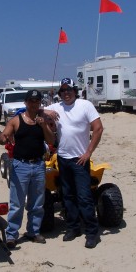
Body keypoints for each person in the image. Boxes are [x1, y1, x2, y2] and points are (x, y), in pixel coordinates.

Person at [45, 77, 104, 249]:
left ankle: (92, 232)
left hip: (80, 159)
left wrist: (88, 152)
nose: (66, 93)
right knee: (67, 196)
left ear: (75, 91)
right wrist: (45, 112)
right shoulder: (56, 107)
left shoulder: (85, 105)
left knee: (84, 197)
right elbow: (33, 110)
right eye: (63, 91)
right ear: (60, 93)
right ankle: (73, 228)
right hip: (62, 158)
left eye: (69, 90)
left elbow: (98, 128)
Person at [0, 90, 55, 249]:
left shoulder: (42, 121)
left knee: (37, 202)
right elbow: (3, 136)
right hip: (20, 166)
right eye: (31, 101)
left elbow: (51, 140)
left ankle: (33, 231)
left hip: (38, 165)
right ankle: (11, 235)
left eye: (37, 101)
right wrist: (3, 138)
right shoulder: (16, 121)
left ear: (40, 103)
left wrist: (44, 124)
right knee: (16, 203)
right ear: (25, 102)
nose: (34, 104)